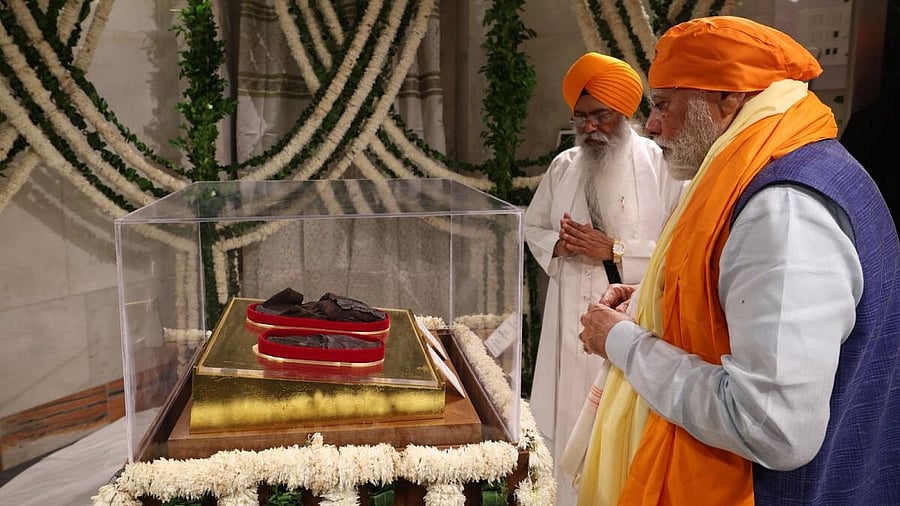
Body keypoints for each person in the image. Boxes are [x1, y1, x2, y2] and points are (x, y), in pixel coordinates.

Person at [576, 16, 900, 505]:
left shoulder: (783, 210)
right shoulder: (788, 161)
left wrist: (623, 342)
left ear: (727, 98)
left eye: (663, 105)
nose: (653, 126)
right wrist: (653, 301)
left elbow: (772, 426)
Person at [523, 52, 685, 505]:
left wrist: (612, 250)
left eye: (601, 115)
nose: (590, 126)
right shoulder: (564, 166)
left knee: (618, 439)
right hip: (568, 321)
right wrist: (560, 246)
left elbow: (678, 250)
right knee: (563, 431)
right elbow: (533, 227)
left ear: (626, 113)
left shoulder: (662, 166)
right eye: (581, 117)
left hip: (628, 323)